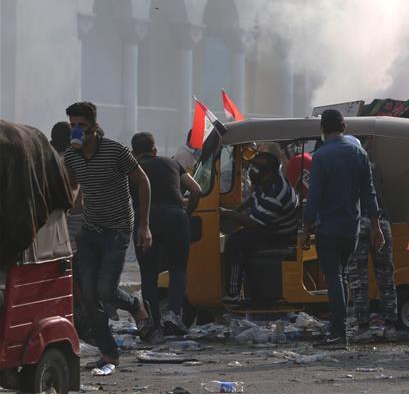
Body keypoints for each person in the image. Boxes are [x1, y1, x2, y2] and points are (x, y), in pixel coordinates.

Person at [63, 101, 152, 369]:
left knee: (105, 289)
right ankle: (109, 353)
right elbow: (73, 190)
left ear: (94, 127)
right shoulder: (71, 156)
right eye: (72, 126)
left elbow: (143, 181)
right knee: (88, 295)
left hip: (118, 228)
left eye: (81, 125)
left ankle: (135, 306)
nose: (77, 130)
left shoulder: (115, 150)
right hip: (90, 229)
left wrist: (144, 225)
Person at [302, 110, 384, 350]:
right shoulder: (359, 153)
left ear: (322, 129)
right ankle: (340, 329)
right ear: (344, 127)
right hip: (352, 229)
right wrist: (376, 227)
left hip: (328, 227)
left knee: (334, 277)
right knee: (343, 276)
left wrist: (305, 229)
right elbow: (369, 193)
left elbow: (314, 197)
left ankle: (338, 333)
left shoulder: (321, 155)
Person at [131, 132, 202, 337]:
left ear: (134, 153)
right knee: (178, 269)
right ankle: (174, 314)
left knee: (148, 273)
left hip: (146, 220)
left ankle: (154, 322)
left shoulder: (132, 168)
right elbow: (196, 190)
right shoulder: (172, 163)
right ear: (154, 150)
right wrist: (186, 214)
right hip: (175, 217)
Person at [220, 145, 299, 305]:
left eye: (256, 168)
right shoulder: (265, 181)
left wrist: (226, 213)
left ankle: (233, 294)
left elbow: (253, 223)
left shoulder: (277, 194)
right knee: (238, 236)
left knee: (235, 242)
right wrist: (235, 210)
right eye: (253, 166)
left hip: (279, 236)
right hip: (268, 227)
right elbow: (253, 199)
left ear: (269, 173)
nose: (252, 171)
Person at [347, 138, 397, 341]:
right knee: (385, 275)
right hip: (381, 222)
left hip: (358, 223)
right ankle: (390, 325)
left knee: (358, 276)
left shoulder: (345, 169)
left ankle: (363, 326)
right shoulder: (373, 167)